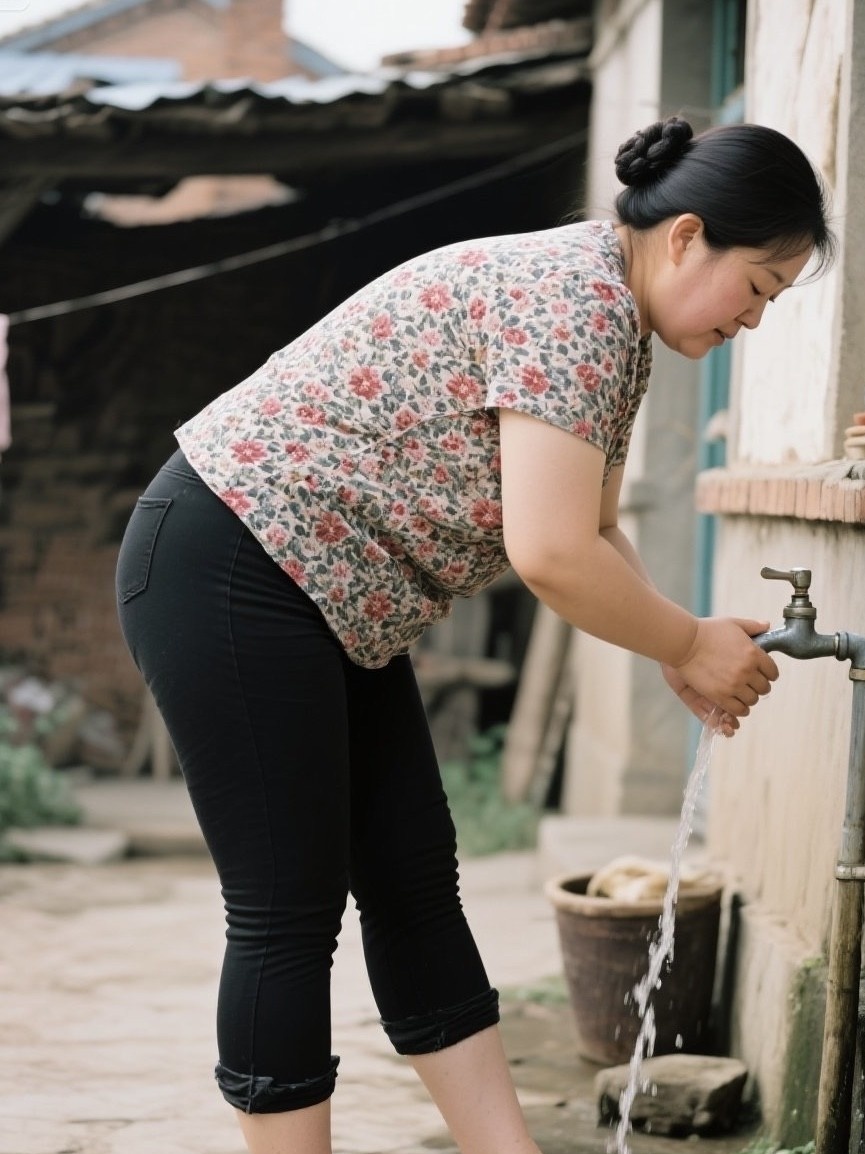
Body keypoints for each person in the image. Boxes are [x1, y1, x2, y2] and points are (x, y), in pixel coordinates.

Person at [115, 116, 834, 1154]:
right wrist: (683, 642)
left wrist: (677, 640)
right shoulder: (574, 299)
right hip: (233, 560)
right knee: (288, 905)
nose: (756, 320)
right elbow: (549, 553)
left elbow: (589, 528)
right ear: (685, 237)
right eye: (759, 287)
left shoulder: (614, 320)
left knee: (411, 876)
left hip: (328, 591)